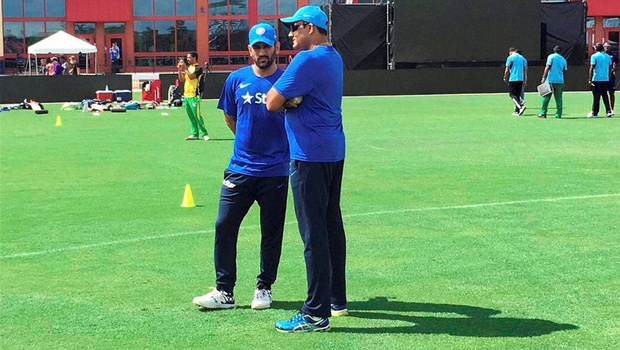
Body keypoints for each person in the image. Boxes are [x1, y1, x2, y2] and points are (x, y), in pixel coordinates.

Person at [192, 23, 289, 311]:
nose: (262, 52)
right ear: (249, 50)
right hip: (240, 168)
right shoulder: (236, 80)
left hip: (276, 171)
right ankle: (224, 291)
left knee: (271, 232)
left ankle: (264, 287)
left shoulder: (287, 81)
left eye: (266, 47)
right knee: (224, 225)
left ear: (276, 48)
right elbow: (230, 119)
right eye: (256, 47)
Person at [266, 5, 347, 333]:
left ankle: (315, 313)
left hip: (309, 156)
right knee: (330, 227)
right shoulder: (334, 57)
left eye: (295, 27)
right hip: (332, 151)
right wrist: (293, 100)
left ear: (311, 28)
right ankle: (336, 299)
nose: (290, 34)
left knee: (314, 233)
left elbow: (272, 101)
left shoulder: (306, 60)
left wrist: (287, 100)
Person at [177, 51, 209, 140]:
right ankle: (194, 133)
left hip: (194, 95)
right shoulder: (189, 67)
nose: (187, 59)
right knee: (190, 116)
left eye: (189, 58)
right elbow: (182, 79)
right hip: (186, 95)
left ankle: (204, 133)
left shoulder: (198, 68)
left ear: (194, 58)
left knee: (197, 115)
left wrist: (185, 68)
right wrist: (180, 70)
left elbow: (191, 77)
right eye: (187, 58)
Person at [538, 45, 568, 119]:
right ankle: (558, 114)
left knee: (545, 97)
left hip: (550, 80)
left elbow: (547, 67)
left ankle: (543, 113)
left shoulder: (551, 57)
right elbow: (564, 71)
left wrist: (543, 77)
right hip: (560, 81)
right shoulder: (563, 60)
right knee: (559, 99)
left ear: (554, 50)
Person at [587, 43, 612, 118]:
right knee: (605, 95)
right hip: (605, 78)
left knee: (596, 96)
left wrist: (589, 79)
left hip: (596, 78)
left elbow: (592, 67)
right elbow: (610, 67)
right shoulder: (608, 56)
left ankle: (595, 113)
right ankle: (608, 111)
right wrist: (608, 75)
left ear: (597, 48)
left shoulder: (594, 56)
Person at [503, 47, 527, 116]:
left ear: (510, 52)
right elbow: (525, 70)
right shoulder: (523, 58)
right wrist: (525, 80)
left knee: (512, 95)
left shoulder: (510, 58)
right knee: (517, 95)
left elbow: (507, 69)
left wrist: (505, 76)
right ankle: (517, 110)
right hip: (520, 78)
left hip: (513, 78)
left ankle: (521, 106)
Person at [604, 42, 618, 115]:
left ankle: (612, 108)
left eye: (608, 46)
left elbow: (617, 65)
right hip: (603, 76)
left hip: (611, 76)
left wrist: (614, 68)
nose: (607, 48)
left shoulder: (614, 56)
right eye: (606, 46)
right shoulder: (602, 55)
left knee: (611, 92)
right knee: (601, 93)